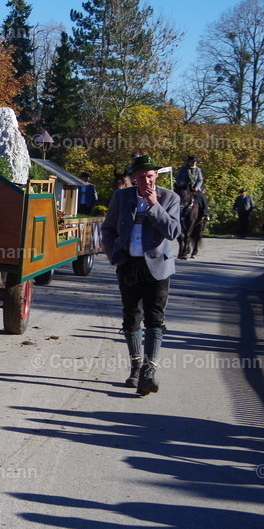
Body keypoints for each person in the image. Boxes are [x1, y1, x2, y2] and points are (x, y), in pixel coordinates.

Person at [102, 154, 181, 396]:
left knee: (155, 319)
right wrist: (113, 255)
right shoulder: (122, 196)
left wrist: (155, 205)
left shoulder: (170, 198)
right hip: (129, 264)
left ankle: (149, 372)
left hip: (158, 267)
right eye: (140, 177)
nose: (145, 181)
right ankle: (136, 367)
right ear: (133, 178)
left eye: (149, 176)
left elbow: (173, 231)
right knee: (131, 317)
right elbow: (108, 228)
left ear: (156, 175)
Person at [175, 155, 210, 220]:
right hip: (184, 188)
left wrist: (197, 187)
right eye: (192, 162)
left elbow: (200, 180)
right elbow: (178, 178)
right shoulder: (183, 169)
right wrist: (183, 184)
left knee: (203, 197)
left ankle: (206, 213)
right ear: (188, 162)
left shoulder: (198, 169)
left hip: (195, 188)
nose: (194, 163)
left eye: (195, 162)